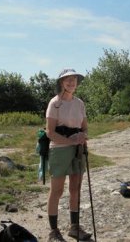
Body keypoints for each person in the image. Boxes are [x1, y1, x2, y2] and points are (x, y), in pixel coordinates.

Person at [45, 68, 91, 242]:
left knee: (75, 189)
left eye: (74, 80)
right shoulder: (54, 103)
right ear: (61, 83)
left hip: (78, 149)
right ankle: (53, 231)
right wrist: (71, 141)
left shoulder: (79, 103)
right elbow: (50, 132)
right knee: (57, 190)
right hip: (59, 149)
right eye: (67, 80)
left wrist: (82, 136)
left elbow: (85, 127)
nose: (71, 83)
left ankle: (74, 227)